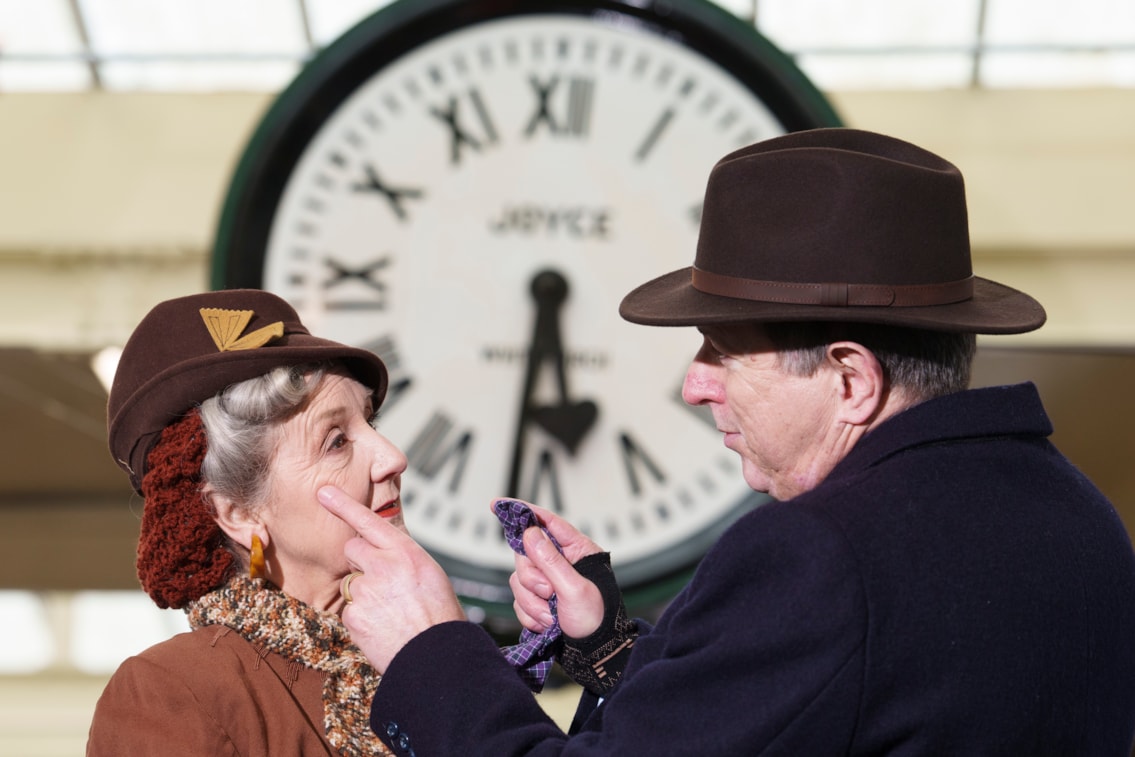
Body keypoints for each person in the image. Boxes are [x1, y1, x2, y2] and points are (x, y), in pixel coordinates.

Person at [318, 128, 1135, 755]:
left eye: (722, 349)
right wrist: (604, 644)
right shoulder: (1082, 519)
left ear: (849, 379)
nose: (694, 381)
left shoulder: (819, 555)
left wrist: (430, 648)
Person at [86, 289, 435, 756]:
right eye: (336, 441)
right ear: (239, 513)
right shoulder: (178, 691)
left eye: (371, 423)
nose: (393, 458)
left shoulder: (437, 665)